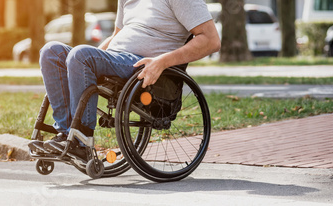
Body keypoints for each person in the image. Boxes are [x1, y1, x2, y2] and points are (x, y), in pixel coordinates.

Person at [29, 0, 221, 160]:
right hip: (116, 58)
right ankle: (65, 133)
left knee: (80, 55)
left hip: (142, 64)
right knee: (51, 52)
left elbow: (211, 40)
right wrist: (82, 61)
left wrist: (162, 62)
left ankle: (81, 141)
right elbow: (116, 36)